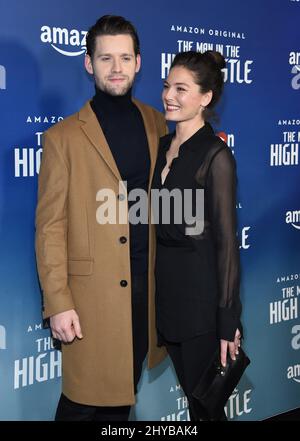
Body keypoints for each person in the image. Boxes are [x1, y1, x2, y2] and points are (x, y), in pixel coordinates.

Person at [35, 15, 167, 421]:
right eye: (105, 58)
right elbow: (50, 226)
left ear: (139, 63)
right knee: (81, 403)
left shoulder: (158, 123)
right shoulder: (63, 138)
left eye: (125, 58)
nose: (116, 68)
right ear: (89, 63)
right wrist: (58, 302)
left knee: (120, 402)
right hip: (91, 300)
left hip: (146, 294)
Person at [151, 50, 242, 421]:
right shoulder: (161, 147)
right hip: (167, 302)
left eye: (181, 89)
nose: (169, 95)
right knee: (194, 404)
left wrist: (227, 322)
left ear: (205, 98)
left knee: (205, 411)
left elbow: (226, 247)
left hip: (202, 309)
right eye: (167, 86)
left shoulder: (216, 155)